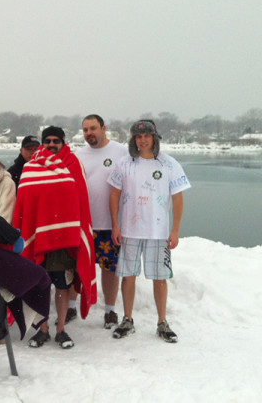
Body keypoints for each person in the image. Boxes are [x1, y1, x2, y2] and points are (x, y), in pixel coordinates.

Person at [12, 126, 96, 349]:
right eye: (47, 141)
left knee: (62, 285)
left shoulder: (73, 164)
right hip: (38, 237)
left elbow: (81, 201)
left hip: (63, 240)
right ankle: (43, 329)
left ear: (63, 142)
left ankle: (61, 329)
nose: (51, 144)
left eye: (55, 141)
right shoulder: (31, 166)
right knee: (40, 286)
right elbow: (26, 201)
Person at [108, 120, 191, 343]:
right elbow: (114, 195)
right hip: (129, 230)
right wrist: (115, 225)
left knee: (160, 278)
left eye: (147, 136)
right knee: (128, 275)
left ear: (154, 138)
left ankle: (162, 322)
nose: (142, 140)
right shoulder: (125, 163)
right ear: (133, 139)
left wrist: (175, 230)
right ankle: (127, 319)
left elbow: (178, 198)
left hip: (158, 232)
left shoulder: (169, 164)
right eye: (138, 136)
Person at [72, 114, 129, 329]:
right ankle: (70, 306)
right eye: (85, 130)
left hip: (110, 224)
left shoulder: (120, 152)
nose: (89, 133)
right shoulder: (78, 156)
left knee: (109, 269)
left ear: (104, 128)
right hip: (83, 224)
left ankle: (110, 311)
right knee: (75, 267)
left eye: (93, 128)